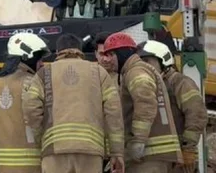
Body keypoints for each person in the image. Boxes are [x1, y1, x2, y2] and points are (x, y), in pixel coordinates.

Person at [22, 33, 124, 173]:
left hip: (55, 150)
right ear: (80, 50)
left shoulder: (43, 74)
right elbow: (114, 113)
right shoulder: (99, 72)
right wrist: (116, 152)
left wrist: (42, 138)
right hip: (90, 150)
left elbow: (30, 108)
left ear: (58, 52)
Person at [103, 32, 182, 173]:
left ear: (122, 54)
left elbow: (146, 103)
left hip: (149, 155)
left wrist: (138, 141)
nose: (108, 60)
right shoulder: (134, 71)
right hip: (152, 155)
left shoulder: (136, 71)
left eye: (111, 55)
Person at [0, 33, 49, 173]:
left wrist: (6, 130)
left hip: (5, 163)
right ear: (27, 57)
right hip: (33, 162)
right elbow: (44, 118)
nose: (42, 63)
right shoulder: (35, 82)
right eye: (39, 59)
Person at [138, 40, 207, 173]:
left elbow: (197, 115)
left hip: (180, 158)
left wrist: (188, 148)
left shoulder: (180, 83)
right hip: (158, 159)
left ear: (163, 61)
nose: (143, 67)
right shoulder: (148, 85)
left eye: (147, 61)